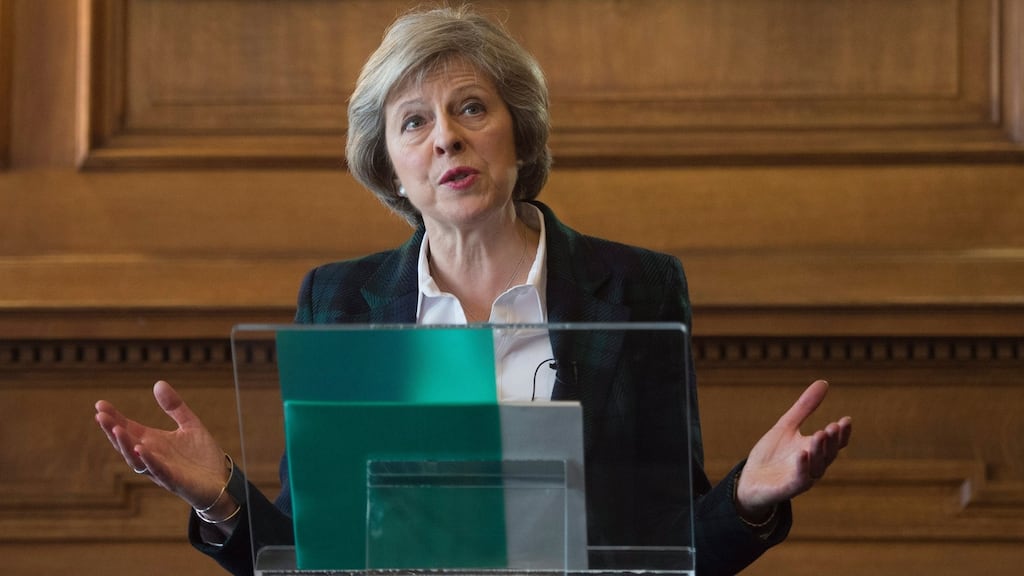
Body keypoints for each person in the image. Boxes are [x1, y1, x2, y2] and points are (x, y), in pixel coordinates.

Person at [94, 6, 853, 576]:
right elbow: (311, 552)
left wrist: (748, 498)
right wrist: (220, 494)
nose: (445, 139)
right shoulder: (340, 301)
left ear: (518, 133)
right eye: (413, 122)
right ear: (390, 166)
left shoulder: (638, 288)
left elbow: (667, 542)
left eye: (470, 109)